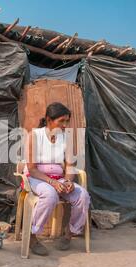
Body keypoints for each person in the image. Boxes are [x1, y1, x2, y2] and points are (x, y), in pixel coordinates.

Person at [25, 102, 90, 256]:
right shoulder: (35, 135)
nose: (64, 125)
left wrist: (67, 181)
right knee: (50, 194)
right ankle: (33, 236)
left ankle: (69, 234)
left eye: (67, 121)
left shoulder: (65, 138)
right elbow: (32, 168)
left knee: (82, 195)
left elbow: (69, 166)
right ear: (49, 119)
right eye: (61, 121)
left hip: (58, 179)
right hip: (37, 178)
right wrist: (52, 182)